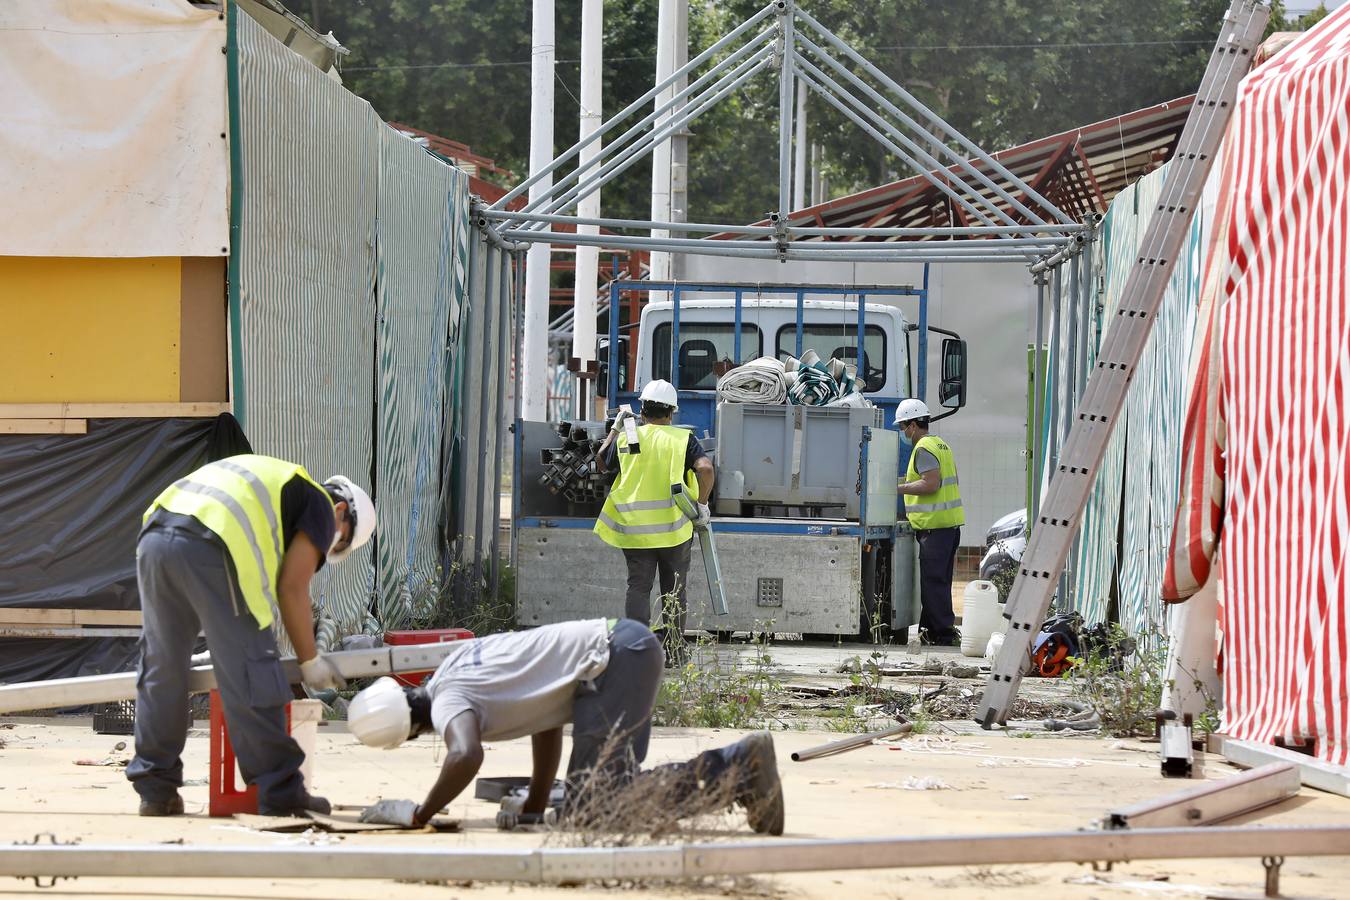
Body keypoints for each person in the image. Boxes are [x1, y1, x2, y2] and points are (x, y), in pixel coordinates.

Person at [348, 618, 784, 835]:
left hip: (615, 662)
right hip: (625, 648)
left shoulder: (449, 701)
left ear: (408, 730)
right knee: (596, 801)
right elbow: (546, 720)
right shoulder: (457, 665)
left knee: (599, 810)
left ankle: (740, 767)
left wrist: (420, 815)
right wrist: (536, 806)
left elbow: (466, 755)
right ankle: (738, 774)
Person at [127, 454, 375, 817]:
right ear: (341, 512)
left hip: (156, 537)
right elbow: (292, 587)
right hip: (212, 542)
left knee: (161, 669)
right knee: (251, 668)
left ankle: (156, 788)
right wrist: (310, 660)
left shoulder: (277, 483)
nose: (325, 550)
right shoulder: (320, 506)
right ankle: (281, 790)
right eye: (336, 545)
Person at [593, 379, 715, 659]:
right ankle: (673, 652)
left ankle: (637, 653)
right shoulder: (682, 439)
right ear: (672, 412)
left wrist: (615, 429)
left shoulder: (627, 437)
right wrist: (702, 504)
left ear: (642, 410)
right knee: (674, 591)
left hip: (634, 529)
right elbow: (705, 468)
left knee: (638, 587)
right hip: (674, 530)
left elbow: (600, 462)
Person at [895, 399, 964, 646]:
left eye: (903, 427)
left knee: (934, 582)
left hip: (935, 528)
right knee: (939, 581)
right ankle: (929, 630)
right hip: (948, 526)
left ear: (913, 425)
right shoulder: (940, 444)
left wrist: (897, 488)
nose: (903, 432)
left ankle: (943, 633)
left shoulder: (923, 448)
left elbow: (931, 483)